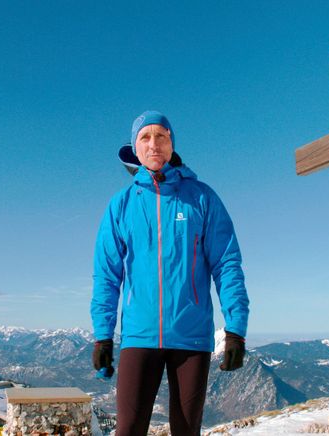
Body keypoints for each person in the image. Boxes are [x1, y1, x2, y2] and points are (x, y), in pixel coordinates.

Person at [90, 111, 250, 435]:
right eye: (145, 138)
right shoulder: (121, 205)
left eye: (161, 136)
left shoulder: (202, 198)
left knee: (186, 431)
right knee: (129, 429)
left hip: (191, 337)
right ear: (134, 149)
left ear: (171, 143)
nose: (154, 144)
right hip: (139, 335)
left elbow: (227, 263)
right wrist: (103, 335)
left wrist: (236, 328)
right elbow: (107, 275)